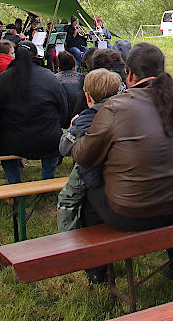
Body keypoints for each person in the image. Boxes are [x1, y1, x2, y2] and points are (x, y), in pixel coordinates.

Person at [73, 43, 173, 284]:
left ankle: (97, 273)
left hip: (132, 212)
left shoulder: (115, 108)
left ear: (129, 74)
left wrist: (79, 132)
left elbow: (84, 157)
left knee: (89, 193)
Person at [0, 41, 70, 183]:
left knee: (4, 149)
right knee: (52, 145)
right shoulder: (50, 77)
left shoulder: (3, 78)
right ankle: (47, 180)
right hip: (47, 139)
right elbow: (63, 109)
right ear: (36, 54)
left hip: (12, 141)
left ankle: (14, 182)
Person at [57, 69, 122, 232]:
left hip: (90, 169)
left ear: (87, 97)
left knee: (67, 197)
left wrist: (73, 126)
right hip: (116, 168)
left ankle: (67, 233)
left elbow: (64, 147)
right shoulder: (123, 112)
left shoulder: (84, 118)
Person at [56, 50, 84, 118]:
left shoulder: (53, 79)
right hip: (79, 116)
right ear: (74, 67)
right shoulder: (82, 78)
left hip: (59, 116)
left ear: (58, 69)